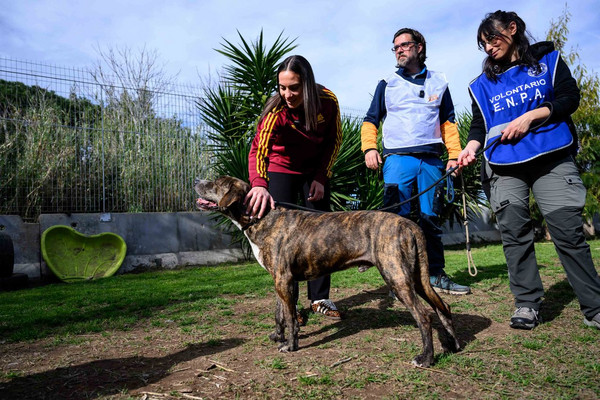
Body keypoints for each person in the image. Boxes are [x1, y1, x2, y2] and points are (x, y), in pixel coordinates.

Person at [457, 10, 600, 330]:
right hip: (504, 165)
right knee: (514, 234)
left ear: (512, 28)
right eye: (483, 44)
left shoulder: (549, 61)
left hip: (552, 157)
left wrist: (532, 116)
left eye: (492, 38)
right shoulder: (481, 85)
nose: (488, 47)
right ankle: (527, 303)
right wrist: (470, 148)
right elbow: (480, 125)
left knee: (568, 234)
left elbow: (570, 98)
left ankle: (594, 306)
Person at [361, 28, 471, 295]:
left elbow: (448, 122)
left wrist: (454, 155)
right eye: (395, 47)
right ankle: (397, 280)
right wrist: (369, 148)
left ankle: (435, 275)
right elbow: (370, 120)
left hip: (431, 162)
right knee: (393, 222)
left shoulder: (439, 82)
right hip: (398, 160)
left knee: (430, 220)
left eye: (404, 45)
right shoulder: (387, 83)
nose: (399, 50)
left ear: (419, 47)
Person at [244, 55, 343, 321]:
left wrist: (321, 177)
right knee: (283, 238)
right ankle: (290, 304)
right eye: (282, 87)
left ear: (307, 84)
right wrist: (260, 184)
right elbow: (259, 150)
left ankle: (320, 298)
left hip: (313, 170)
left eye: (294, 88)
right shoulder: (275, 111)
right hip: (282, 167)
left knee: (322, 233)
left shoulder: (328, 101)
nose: (287, 94)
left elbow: (334, 141)